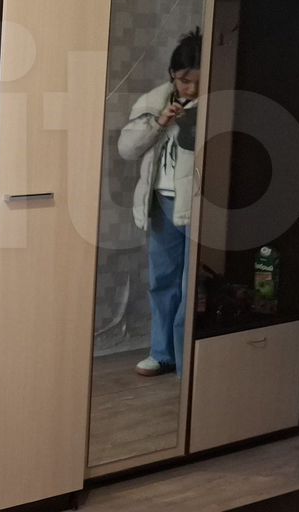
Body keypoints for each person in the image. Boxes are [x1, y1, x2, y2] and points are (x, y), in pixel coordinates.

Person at [119, 30, 201, 377]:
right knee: (162, 281)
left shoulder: (215, 105)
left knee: (191, 286)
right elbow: (127, 149)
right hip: (160, 202)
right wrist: (159, 122)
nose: (191, 89)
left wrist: (193, 123)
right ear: (172, 75)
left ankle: (186, 364)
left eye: (198, 82)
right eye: (184, 80)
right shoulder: (154, 101)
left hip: (198, 205)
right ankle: (162, 352)